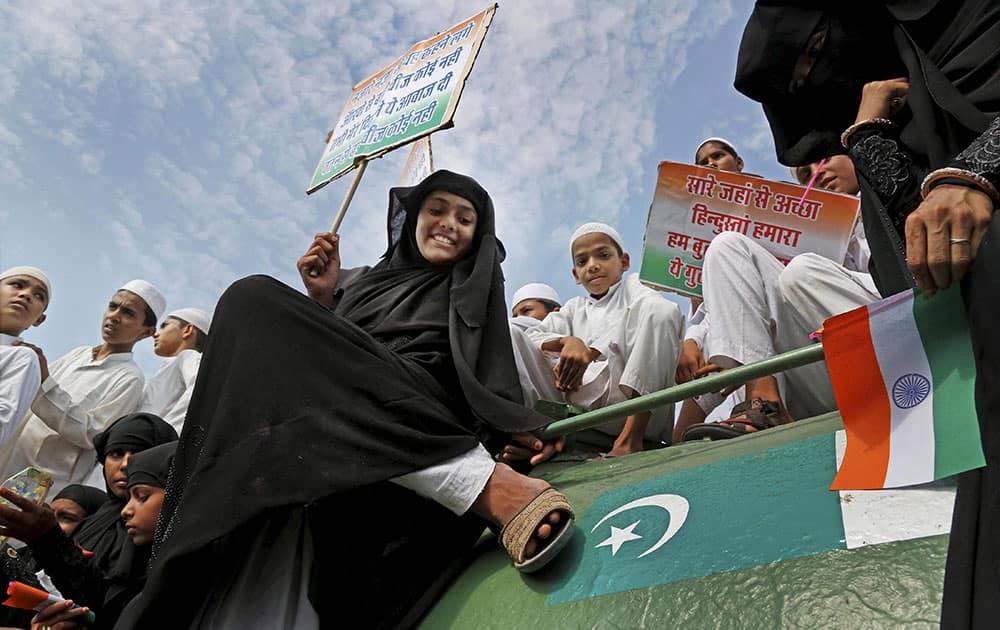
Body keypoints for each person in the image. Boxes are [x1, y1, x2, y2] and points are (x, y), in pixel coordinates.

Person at [115, 171, 574, 629]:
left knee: (250, 298)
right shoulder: (359, 285)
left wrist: (518, 421)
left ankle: (477, 483)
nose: (448, 223)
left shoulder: (475, 285)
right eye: (436, 210)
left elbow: (499, 361)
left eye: (465, 217)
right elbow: (321, 361)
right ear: (413, 217)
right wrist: (325, 298)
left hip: (421, 412)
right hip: (334, 431)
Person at [733, 2, 998, 625]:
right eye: (800, 70)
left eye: (818, 42)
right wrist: (869, 132)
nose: (818, 67)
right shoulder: (897, 88)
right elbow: (924, 252)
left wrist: (977, 174)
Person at [681, 150, 880, 440]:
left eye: (824, 158)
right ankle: (763, 401)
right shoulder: (802, 245)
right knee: (726, 245)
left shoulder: (895, 197)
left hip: (892, 357)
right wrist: (693, 338)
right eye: (804, 174)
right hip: (825, 380)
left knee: (801, 272)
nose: (816, 171)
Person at [511, 222, 683, 456]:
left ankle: (630, 439)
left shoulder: (634, 287)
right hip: (578, 402)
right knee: (511, 336)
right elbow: (529, 337)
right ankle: (534, 433)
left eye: (603, 255)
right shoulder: (573, 308)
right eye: (582, 261)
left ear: (624, 262)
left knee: (660, 312)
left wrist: (593, 351)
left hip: (631, 403)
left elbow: (662, 313)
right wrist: (567, 342)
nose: (593, 266)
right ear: (576, 275)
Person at [0, 413, 176, 629]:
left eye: (140, 453)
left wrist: (48, 538)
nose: (125, 464)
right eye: (116, 454)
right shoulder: (93, 523)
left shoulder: (157, 538)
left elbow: (106, 606)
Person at [0, 280, 164, 494]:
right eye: (112, 306)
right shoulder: (78, 354)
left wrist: (44, 381)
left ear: (146, 332)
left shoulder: (130, 378)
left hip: (42, 481)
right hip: (7, 456)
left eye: (128, 313)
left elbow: (94, 433)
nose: (114, 316)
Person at [0, 266, 50, 445]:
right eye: (17, 285)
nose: (26, 295)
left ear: (39, 320)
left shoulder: (22, 359)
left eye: (39, 295)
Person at [139, 307, 211, 432]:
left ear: (188, 330)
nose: (155, 334)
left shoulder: (188, 357)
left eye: (164, 326)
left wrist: (164, 435)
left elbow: (201, 389)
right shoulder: (167, 368)